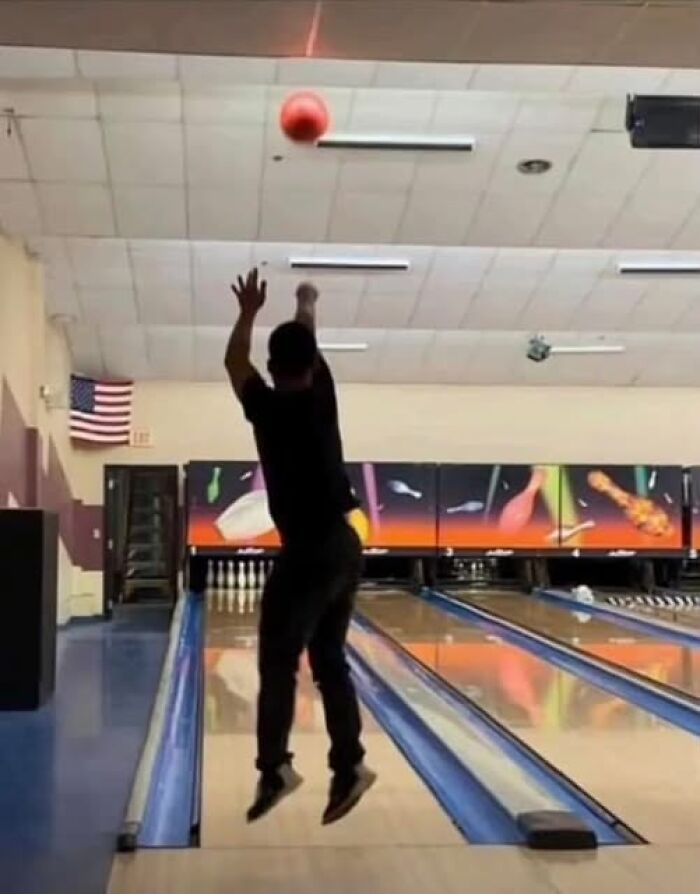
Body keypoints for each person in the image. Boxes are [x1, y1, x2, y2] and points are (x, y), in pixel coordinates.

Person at [224, 268, 376, 825]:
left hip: (306, 552)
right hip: (344, 544)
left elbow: (233, 362)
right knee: (329, 658)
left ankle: (275, 769)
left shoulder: (263, 407)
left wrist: (248, 311)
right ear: (314, 367)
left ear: (272, 368)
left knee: (278, 662)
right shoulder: (323, 398)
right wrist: (304, 298)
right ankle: (350, 765)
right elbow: (305, 331)